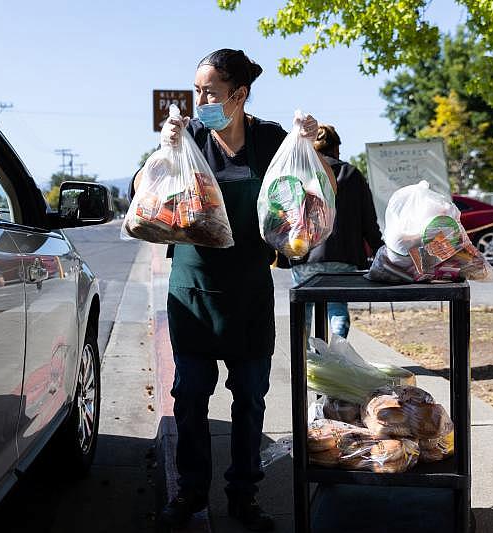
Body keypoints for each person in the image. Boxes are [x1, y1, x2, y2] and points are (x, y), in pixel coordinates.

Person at [129, 49, 334, 531]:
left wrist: (311, 152)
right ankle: (191, 492)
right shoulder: (190, 137)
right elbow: (143, 192)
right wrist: (161, 153)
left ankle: (244, 494)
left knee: (251, 396)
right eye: (197, 90)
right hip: (193, 289)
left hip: (249, 291)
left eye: (210, 92)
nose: (200, 100)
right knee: (190, 394)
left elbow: (320, 197)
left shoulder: (270, 140)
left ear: (239, 95)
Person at [290, 124, 384, 338]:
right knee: (337, 308)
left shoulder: (301, 174)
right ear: (336, 148)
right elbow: (369, 220)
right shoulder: (352, 174)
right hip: (343, 257)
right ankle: (337, 359)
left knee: (303, 310)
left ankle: (303, 361)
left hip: (305, 256)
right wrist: (381, 251)